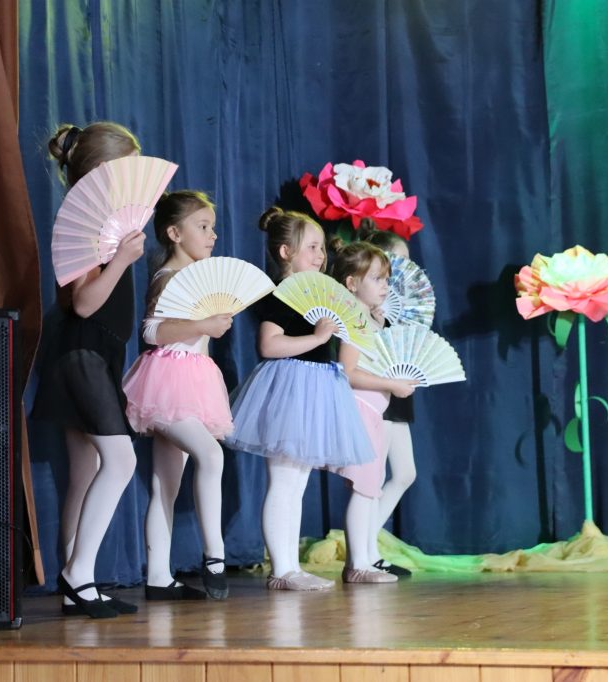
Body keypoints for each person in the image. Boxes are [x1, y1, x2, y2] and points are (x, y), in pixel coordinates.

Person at [223, 208, 374, 591]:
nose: (321, 255)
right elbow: (269, 345)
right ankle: (281, 569)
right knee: (284, 480)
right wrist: (317, 338)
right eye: (312, 247)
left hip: (317, 387)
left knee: (297, 483)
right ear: (286, 252)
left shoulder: (319, 292)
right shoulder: (282, 295)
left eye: (322, 248)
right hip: (289, 386)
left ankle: (290, 566)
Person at [32, 121, 145, 618]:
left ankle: (76, 583)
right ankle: (79, 575)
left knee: (87, 471)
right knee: (120, 461)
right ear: (101, 170)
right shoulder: (81, 223)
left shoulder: (109, 223)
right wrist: (121, 260)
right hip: (81, 351)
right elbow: (83, 303)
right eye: (126, 168)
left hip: (98, 351)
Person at [122, 190, 234, 600]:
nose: (212, 235)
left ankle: (158, 577)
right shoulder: (168, 277)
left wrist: (208, 327)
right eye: (202, 227)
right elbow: (152, 331)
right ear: (174, 233)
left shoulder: (198, 277)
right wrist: (203, 326)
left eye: (213, 227)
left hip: (195, 382)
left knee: (165, 483)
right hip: (168, 382)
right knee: (211, 455)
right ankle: (215, 556)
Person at [329, 239, 419, 583]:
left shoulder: (368, 319)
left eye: (386, 279)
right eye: (378, 279)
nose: (385, 286)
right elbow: (348, 371)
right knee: (365, 486)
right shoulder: (354, 320)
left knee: (372, 485)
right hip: (363, 410)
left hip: (374, 410)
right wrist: (390, 384)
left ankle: (364, 559)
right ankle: (358, 563)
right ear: (352, 284)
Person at [357, 222, 419, 577]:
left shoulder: (401, 305)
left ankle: (368, 544)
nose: (403, 268)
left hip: (398, 391)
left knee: (405, 472)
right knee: (375, 475)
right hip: (377, 393)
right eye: (397, 260)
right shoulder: (366, 305)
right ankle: (365, 551)